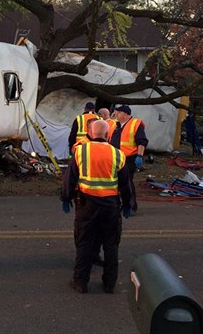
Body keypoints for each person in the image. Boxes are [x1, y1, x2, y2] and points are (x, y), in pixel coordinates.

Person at [61, 119, 132, 294]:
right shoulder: (118, 154)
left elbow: (70, 178)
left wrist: (66, 197)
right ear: (107, 136)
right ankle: (109, 284)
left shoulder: (80, 152)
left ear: (91, 134)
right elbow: (126, 184)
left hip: (87, 204)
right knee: (111, 244)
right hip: (110, 206)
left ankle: (80, 283)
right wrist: (129, 203)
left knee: (85, 243)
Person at [109, 105, 148, 215]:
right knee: (115, 183)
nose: (116, 114)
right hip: (115, 158)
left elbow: (142, 141)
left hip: (129, 158)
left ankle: (131, 206)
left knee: (127, 182)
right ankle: (119, 204)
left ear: (126, 114)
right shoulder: (115, 125)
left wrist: (140, 156)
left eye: (118, 112)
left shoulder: (135, 124)